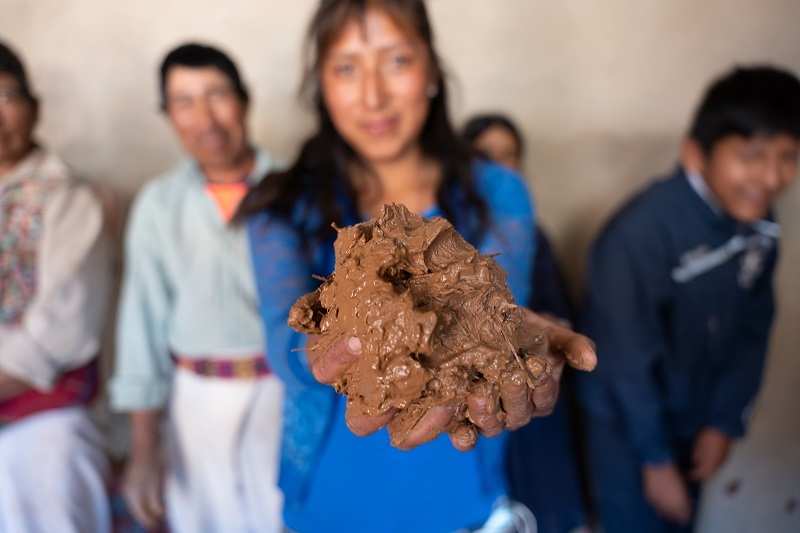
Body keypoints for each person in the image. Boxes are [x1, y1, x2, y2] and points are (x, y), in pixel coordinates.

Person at [236, 2, 596, 532]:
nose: (373, 94)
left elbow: (498, 311)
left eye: (397, 61)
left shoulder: (497, 191)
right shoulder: (281, 206)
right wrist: (328, 353)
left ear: (431, 70)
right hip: (329, 499)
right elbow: (282, 341)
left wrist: (515, 337)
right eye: (346, 68)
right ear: (321, 85)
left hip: (459, 488)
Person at [577, 65, 800, 533]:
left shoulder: (759, 226)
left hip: (694, 422)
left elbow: (751, 333)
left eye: (788, 157)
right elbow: (625, 363)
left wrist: (724, 423)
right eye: (752, 155)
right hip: (628, 433)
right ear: (695, 153)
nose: (773, 176)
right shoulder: (638, 236)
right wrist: (655, 463)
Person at [110, 43, 283, 532]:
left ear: (244, 101)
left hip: (285, 392)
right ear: (168, 116)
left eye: (217, 95)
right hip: (194, 402)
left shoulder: (296, 190)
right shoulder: (157, 205)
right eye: (183, 102)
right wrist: (143, 452)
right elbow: (141, 328)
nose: (204, 118)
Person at [0, 39, 112, 532]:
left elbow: (61, 330)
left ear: (34, 108)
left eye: (5, 97)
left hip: (42, 429)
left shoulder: (68, 198)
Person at [464, 114, 587, 533]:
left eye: (509, 156)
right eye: (486, 157)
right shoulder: (445, 246)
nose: (500, 168)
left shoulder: (537, 239)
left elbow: (559, 316)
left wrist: (542, 332)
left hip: (533, 410)